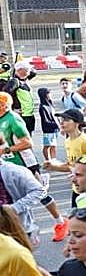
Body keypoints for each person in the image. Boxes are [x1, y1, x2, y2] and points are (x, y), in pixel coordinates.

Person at [0, 92, 68, 242]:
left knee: (40, 193)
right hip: (8, 163)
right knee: (15, 196)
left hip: (24, 163)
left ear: (4, 105)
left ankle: (60, 222)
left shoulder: (13, 119)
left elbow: (28, 143)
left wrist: (5, 150)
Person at [43, 108, 86, 209]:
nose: (62, 123)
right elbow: (71, 166)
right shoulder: (68, 141)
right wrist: (53, 167)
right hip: (77, 189)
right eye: (61, 120)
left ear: (77, 123)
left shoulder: (85, 141)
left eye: (66, 120)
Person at [5, 61, 37, 134]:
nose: (29, 71)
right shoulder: (14, 81)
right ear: (20, 70)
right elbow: (4, 96)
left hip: (29, 116)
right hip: (21, 116)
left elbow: (34, 72)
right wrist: (12, 109)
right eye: (27, 69)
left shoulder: (24, 80)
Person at [37, 87, 60, 163]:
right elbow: (45, 120)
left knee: (53, 145)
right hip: (48, 130)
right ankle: (48, 160)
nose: (50, 95)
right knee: (47, 146)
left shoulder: (50, 104)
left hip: (54, 129)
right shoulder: (42, 107)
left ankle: (53, 160)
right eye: (48, 93)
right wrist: (55, 125)